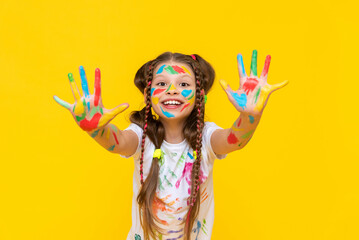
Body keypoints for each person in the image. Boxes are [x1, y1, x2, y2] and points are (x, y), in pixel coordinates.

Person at [53, 51, 288, 240]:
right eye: (162, 83)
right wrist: (95, 128)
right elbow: (118, 142)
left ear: (201, 95)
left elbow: (235, 139)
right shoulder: (141, 136)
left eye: (184, 84)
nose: (172, 90)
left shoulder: (206, 138)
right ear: (148, 94)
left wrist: (251, 116)